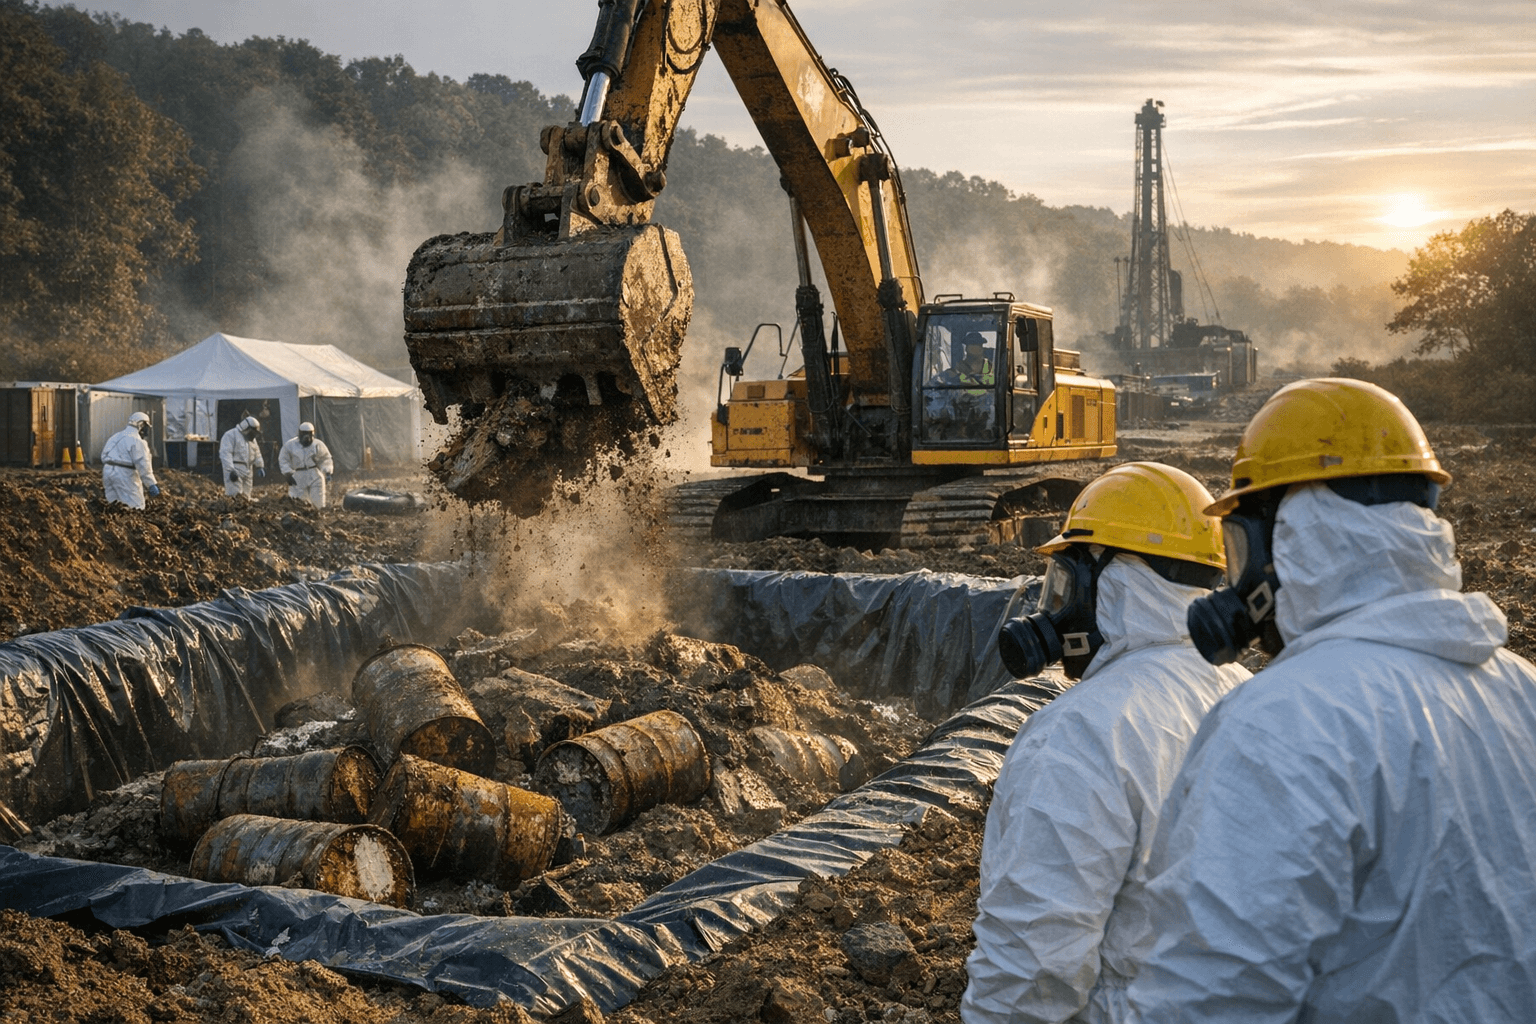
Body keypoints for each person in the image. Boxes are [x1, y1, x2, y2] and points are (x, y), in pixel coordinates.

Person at [1127, 378, 1536, 1021]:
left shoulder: (1282, 723)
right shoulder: (1521, 690)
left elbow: (1207, 997)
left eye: (1239, 551)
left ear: (1289, 537)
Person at [963, 462, 1251, 1024]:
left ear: (1111, 582)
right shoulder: (1253, 698)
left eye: (1065, 584)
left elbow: (1031, 974)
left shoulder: (1079, 737)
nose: (1054, 606)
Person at [99, 411, 161, 510]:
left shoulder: (115, 437)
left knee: (113, 506)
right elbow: (144, 467)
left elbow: (103, 455)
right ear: (141, 425)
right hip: (125, 474)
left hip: (107, 471)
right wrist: (151, 484)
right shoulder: (138, 441)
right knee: (135, 507)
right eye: (146, 427)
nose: (146, 431)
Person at [277, 421, 335, 508]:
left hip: (314, 474)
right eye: (304, 434)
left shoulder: (317, 444)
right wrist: (288, 473)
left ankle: (317, 516)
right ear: (299, 434)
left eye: (309, 434)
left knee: (318, 502)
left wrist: (327, 471)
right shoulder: (290, 445)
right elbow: (283, 459)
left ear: (313, 434)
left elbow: (325, 458)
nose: (306, 437)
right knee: (299, 503)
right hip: (298, 475)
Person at [219, 415, 265, 499]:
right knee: (235, 496)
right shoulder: (231, 435)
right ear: (246, 428)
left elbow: (257, 452)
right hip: (235, 469)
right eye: (252, 433)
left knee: (246, 497)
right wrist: (230, 470)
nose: (253, 436)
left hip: (248, 470)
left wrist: (260, 466)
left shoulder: (252, 440)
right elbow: (226, 454)